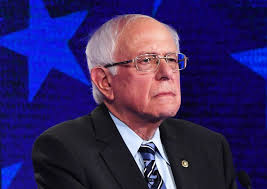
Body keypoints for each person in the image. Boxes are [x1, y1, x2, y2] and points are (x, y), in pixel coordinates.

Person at [32, 14, 237, 189]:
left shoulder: (209, 147)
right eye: (146, 60)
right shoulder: (64, 149)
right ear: (105, 81)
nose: (167, 73)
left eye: (172, 59)